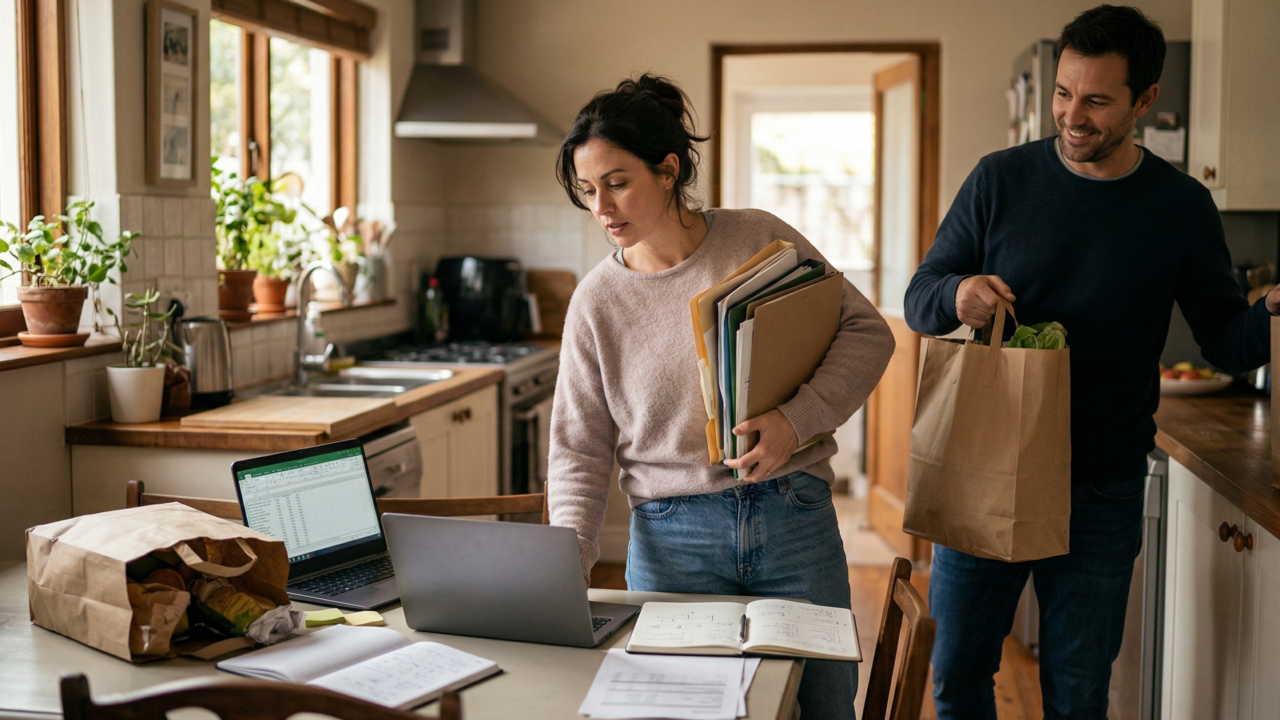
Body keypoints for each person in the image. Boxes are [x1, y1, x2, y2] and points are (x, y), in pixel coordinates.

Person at [905, 5, 1278, 718]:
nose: (1073, 116)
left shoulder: (1180, 206)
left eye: (1097, 100)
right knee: (957, 678)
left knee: (1078, 697)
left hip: (1100, 486)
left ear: (1145, 102)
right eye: (1063, 94)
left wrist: (1269, 313)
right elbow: (921, 297)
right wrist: (962, 292)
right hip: (987, 467)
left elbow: (1226, 342)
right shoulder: (999, 180)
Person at [546, 74, 895, 719]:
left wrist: (798, 420)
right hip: (672, 541)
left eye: (618, 182)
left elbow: (867, 332)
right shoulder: (596, 301)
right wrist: (566, 562)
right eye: (589, 191)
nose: (603, 207)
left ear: (668, 169)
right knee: (679, 713)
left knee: (824, 709)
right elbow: (579, 448)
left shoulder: (757, 237)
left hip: (794, 515)